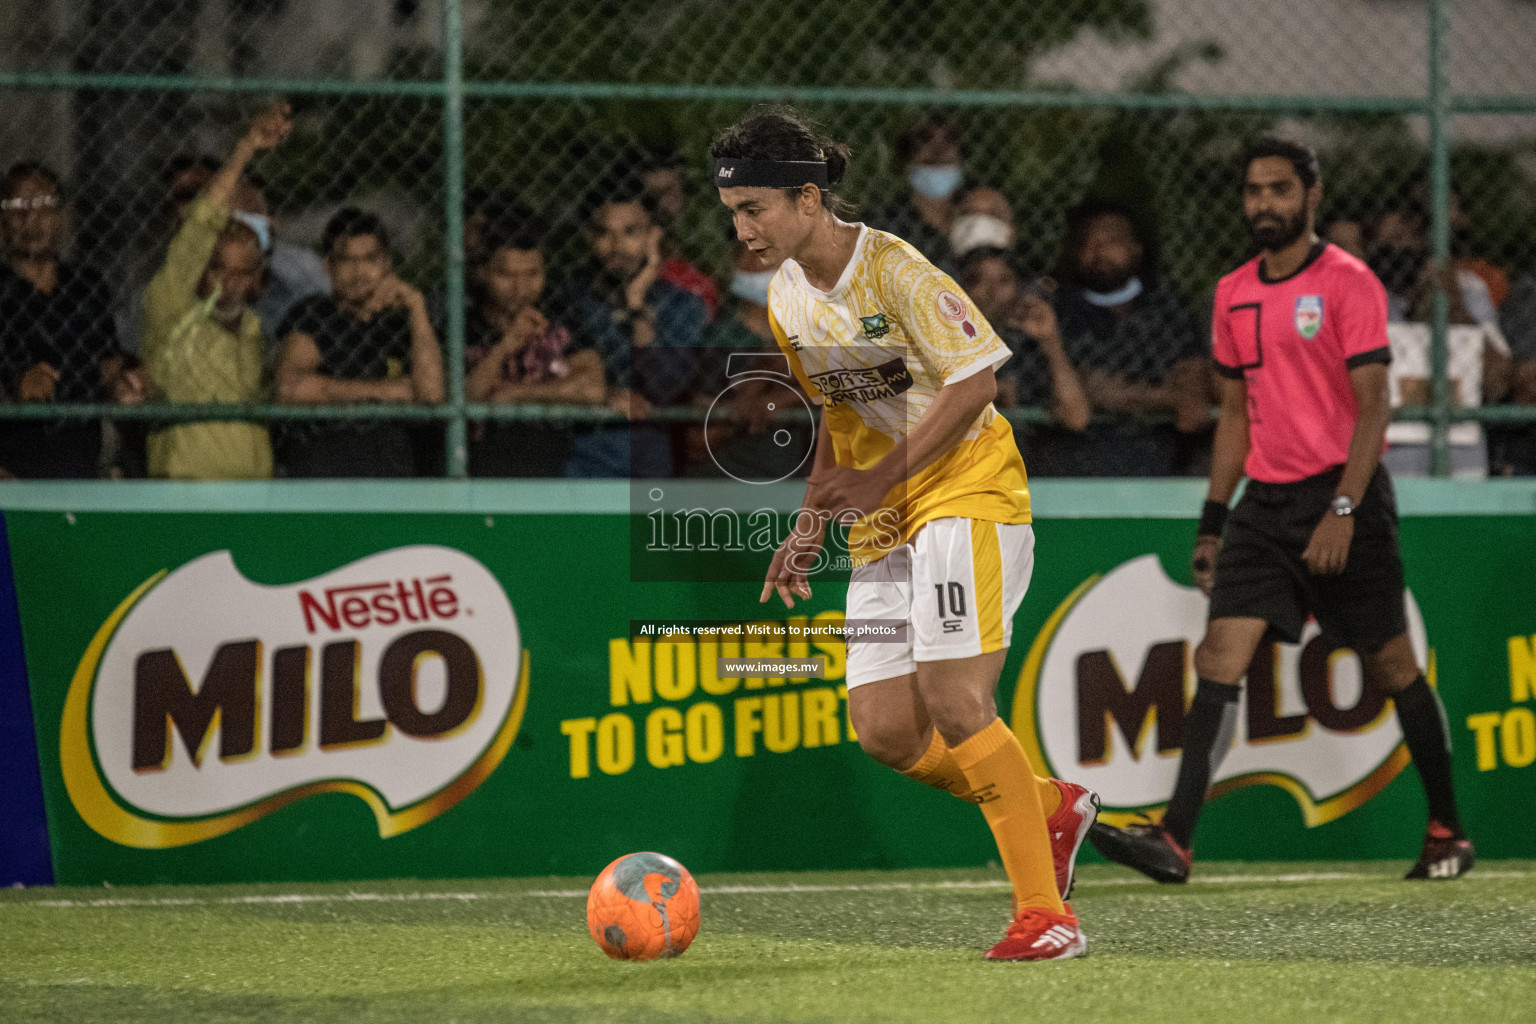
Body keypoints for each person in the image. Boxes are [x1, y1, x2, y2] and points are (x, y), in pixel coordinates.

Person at [713, 106, 1099, 961]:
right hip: (886, 516)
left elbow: (978, 386)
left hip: (969, 490)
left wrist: (881, 478)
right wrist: (808, 524)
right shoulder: (784, 297)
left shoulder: (896, 270)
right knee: (886, 729)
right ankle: (1047, 808)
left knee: (958, 700)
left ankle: (1048, 916)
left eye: (756, 210)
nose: (742, 231)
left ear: (809, 198)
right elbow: (838, 418)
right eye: (734, 213)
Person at [1088, 138, 1475, 884]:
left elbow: (1374, 409)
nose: (1264, 203)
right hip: (1264, 506)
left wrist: (1343, 508)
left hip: (1344, 495)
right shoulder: (1233, 291)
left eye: (1278, 189)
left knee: (1394, 664)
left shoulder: (1348, 283)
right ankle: (1174, 841)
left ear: (1311, 196)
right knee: (1219, 658)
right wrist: (1212, 517)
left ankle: (1447, 831)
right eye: (1253, 191)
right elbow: (1235, 411)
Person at [139, 102, 294, 480]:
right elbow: (199, 224)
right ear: (200, 269)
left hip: (253, 499)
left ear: (257, 278)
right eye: (218, 269)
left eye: (242, 273)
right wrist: (246, 148)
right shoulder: (171, 303)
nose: (229, 283)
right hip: (187, 496)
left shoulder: (254, 329)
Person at [1034, 200, 1211, 476]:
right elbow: (1065, 405)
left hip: (1160, 470)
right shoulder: (1057, 312)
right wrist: (1162, 395)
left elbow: (1193, 409)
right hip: (1073, 471)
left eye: (1111, 241)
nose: (1098, 251)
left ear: (1136, 249)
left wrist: (1115, 395)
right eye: (1088, 243)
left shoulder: (1168, 309)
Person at [274, 207, 446, 477]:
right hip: (322, 476)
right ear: (328, 266)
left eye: (370, 258)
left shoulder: (402, 323)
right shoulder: (314, 314)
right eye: (346, 260)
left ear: (387, 263)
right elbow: (291, 390)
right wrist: (389, 392)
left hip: (392, 477)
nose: (359, 271)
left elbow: (432, 395)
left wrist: (417, 307)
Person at [0, 162, 139, 478]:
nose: (29, 218)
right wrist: (15, 387)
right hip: (12, 469)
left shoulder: (86, 286)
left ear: (63, 216)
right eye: (16, 205)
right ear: (2, 220)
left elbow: (108, 366)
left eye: (43, 205)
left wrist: (124, 385)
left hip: (80, 464)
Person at [561, 176, 704, 478]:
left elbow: (660, 388)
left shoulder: (683, 305)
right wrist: (605, 394)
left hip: (648, 463)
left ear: (653, 237)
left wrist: (637, 304)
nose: (616, 246)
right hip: (579, 457)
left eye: (630, 232)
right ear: (589, 236)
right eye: (604, 233)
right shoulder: (569, 299)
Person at [464, 214, 605, 476]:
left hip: (546, 473)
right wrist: (506, 344)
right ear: (483, 273)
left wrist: (518, 395)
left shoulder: (559, 319)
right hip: (476, 473)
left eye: (532, 274)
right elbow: (463, 398)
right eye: (506, 275)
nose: (521, 288)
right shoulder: (463, 325)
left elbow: (592, 387)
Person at [955, 247, 1090, 451]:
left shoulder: (1029, 346)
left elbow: (1076, 418)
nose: (992, 291)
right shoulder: (940, 339)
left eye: (1003, 281)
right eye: (978, 280)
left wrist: (1051, 341)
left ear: (1019, 289)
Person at [864, 114, 963, 269]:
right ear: (908, 155)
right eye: (926, 139)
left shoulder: (977, 215)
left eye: (949, 139)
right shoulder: (883, 224)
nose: (938, 150)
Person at [643, 155, 722, 320]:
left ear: (680, 183)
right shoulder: (643, 219)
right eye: (653, 195)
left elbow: (718, 273)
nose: (661, 202)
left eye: (667, 191)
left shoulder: (704, 216)